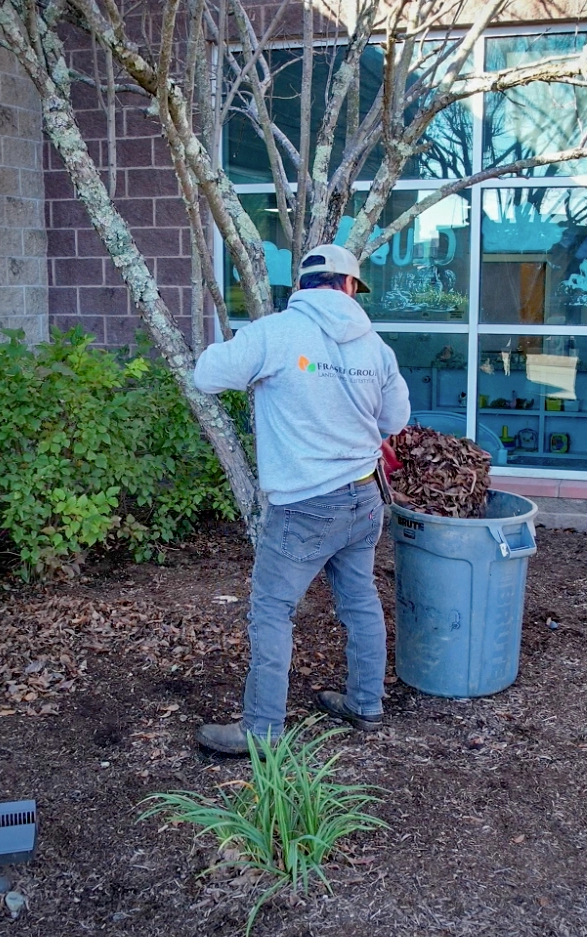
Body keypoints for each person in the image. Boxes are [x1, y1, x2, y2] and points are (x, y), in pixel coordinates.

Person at [192, 244, 411, 754]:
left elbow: (207, 375)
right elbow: (395, 421)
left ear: (304, 285)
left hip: (306, 508)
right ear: (350, 286)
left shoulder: (275, 333)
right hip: (364, 497)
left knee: (271, 611)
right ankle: (365, 705)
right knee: (360, 602)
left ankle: (262, 730)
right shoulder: (376, 346)